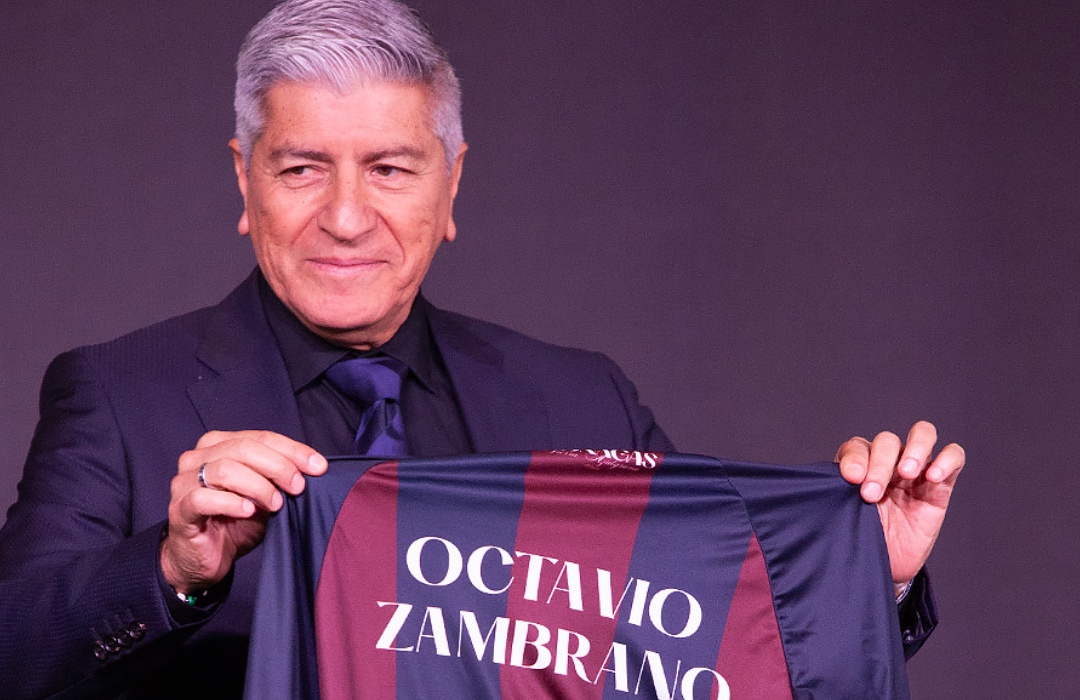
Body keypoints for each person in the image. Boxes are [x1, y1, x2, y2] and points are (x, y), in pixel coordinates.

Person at [0, 0, 964, 698]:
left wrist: (867, 575)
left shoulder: (582, 400)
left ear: (451, 185)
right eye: (301, 170)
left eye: (389, 168)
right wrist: (176, 570)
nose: (346, 217)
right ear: (244, 182)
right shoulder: (119, 394)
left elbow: (714, 644)